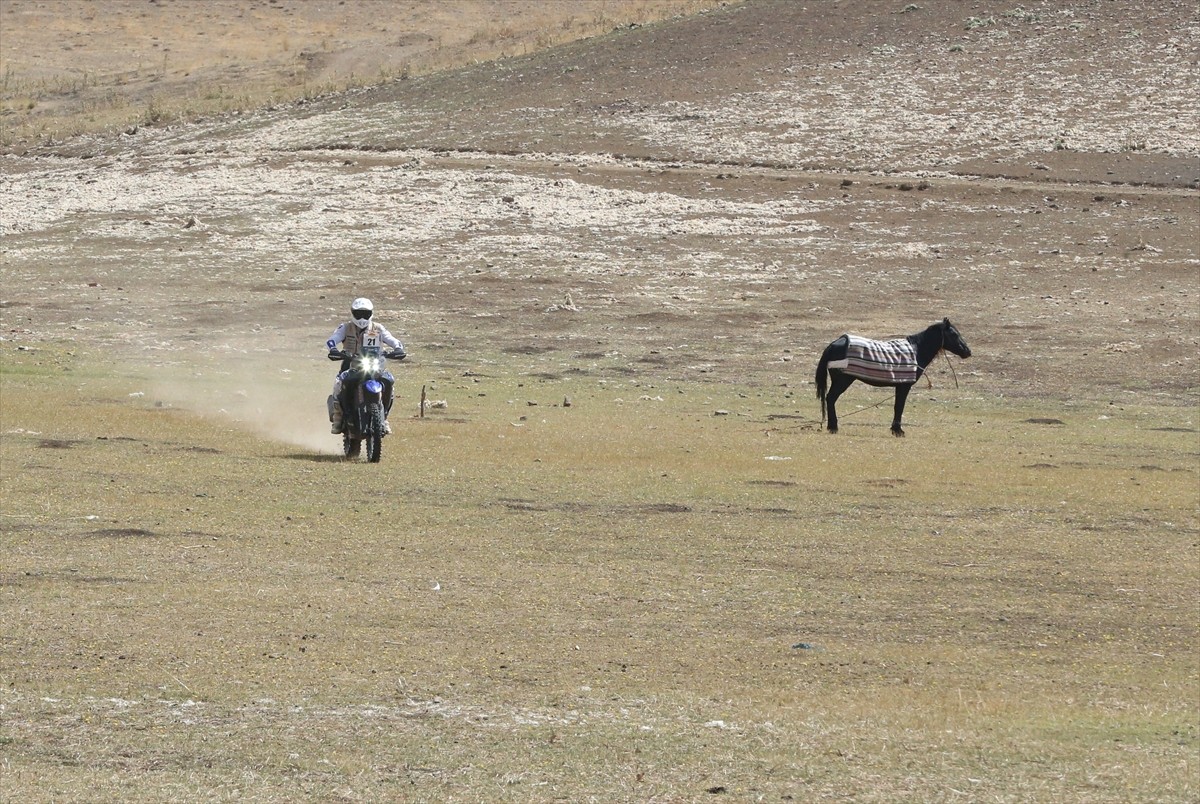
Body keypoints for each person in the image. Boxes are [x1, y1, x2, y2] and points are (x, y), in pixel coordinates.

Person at [325, 297, 405, 434]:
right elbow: (332, 340)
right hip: (352, 365)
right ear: (352, 313)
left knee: (389, 381)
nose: (362, 317)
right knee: (340, 383)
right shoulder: (345, 328)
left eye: (365, 314)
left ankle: (384, 417)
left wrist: (398, 349)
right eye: (359, 313)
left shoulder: (378, 328)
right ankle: (338, 417)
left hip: (375, 365)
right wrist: (333, 350)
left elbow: (393, 340)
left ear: (371, 314)